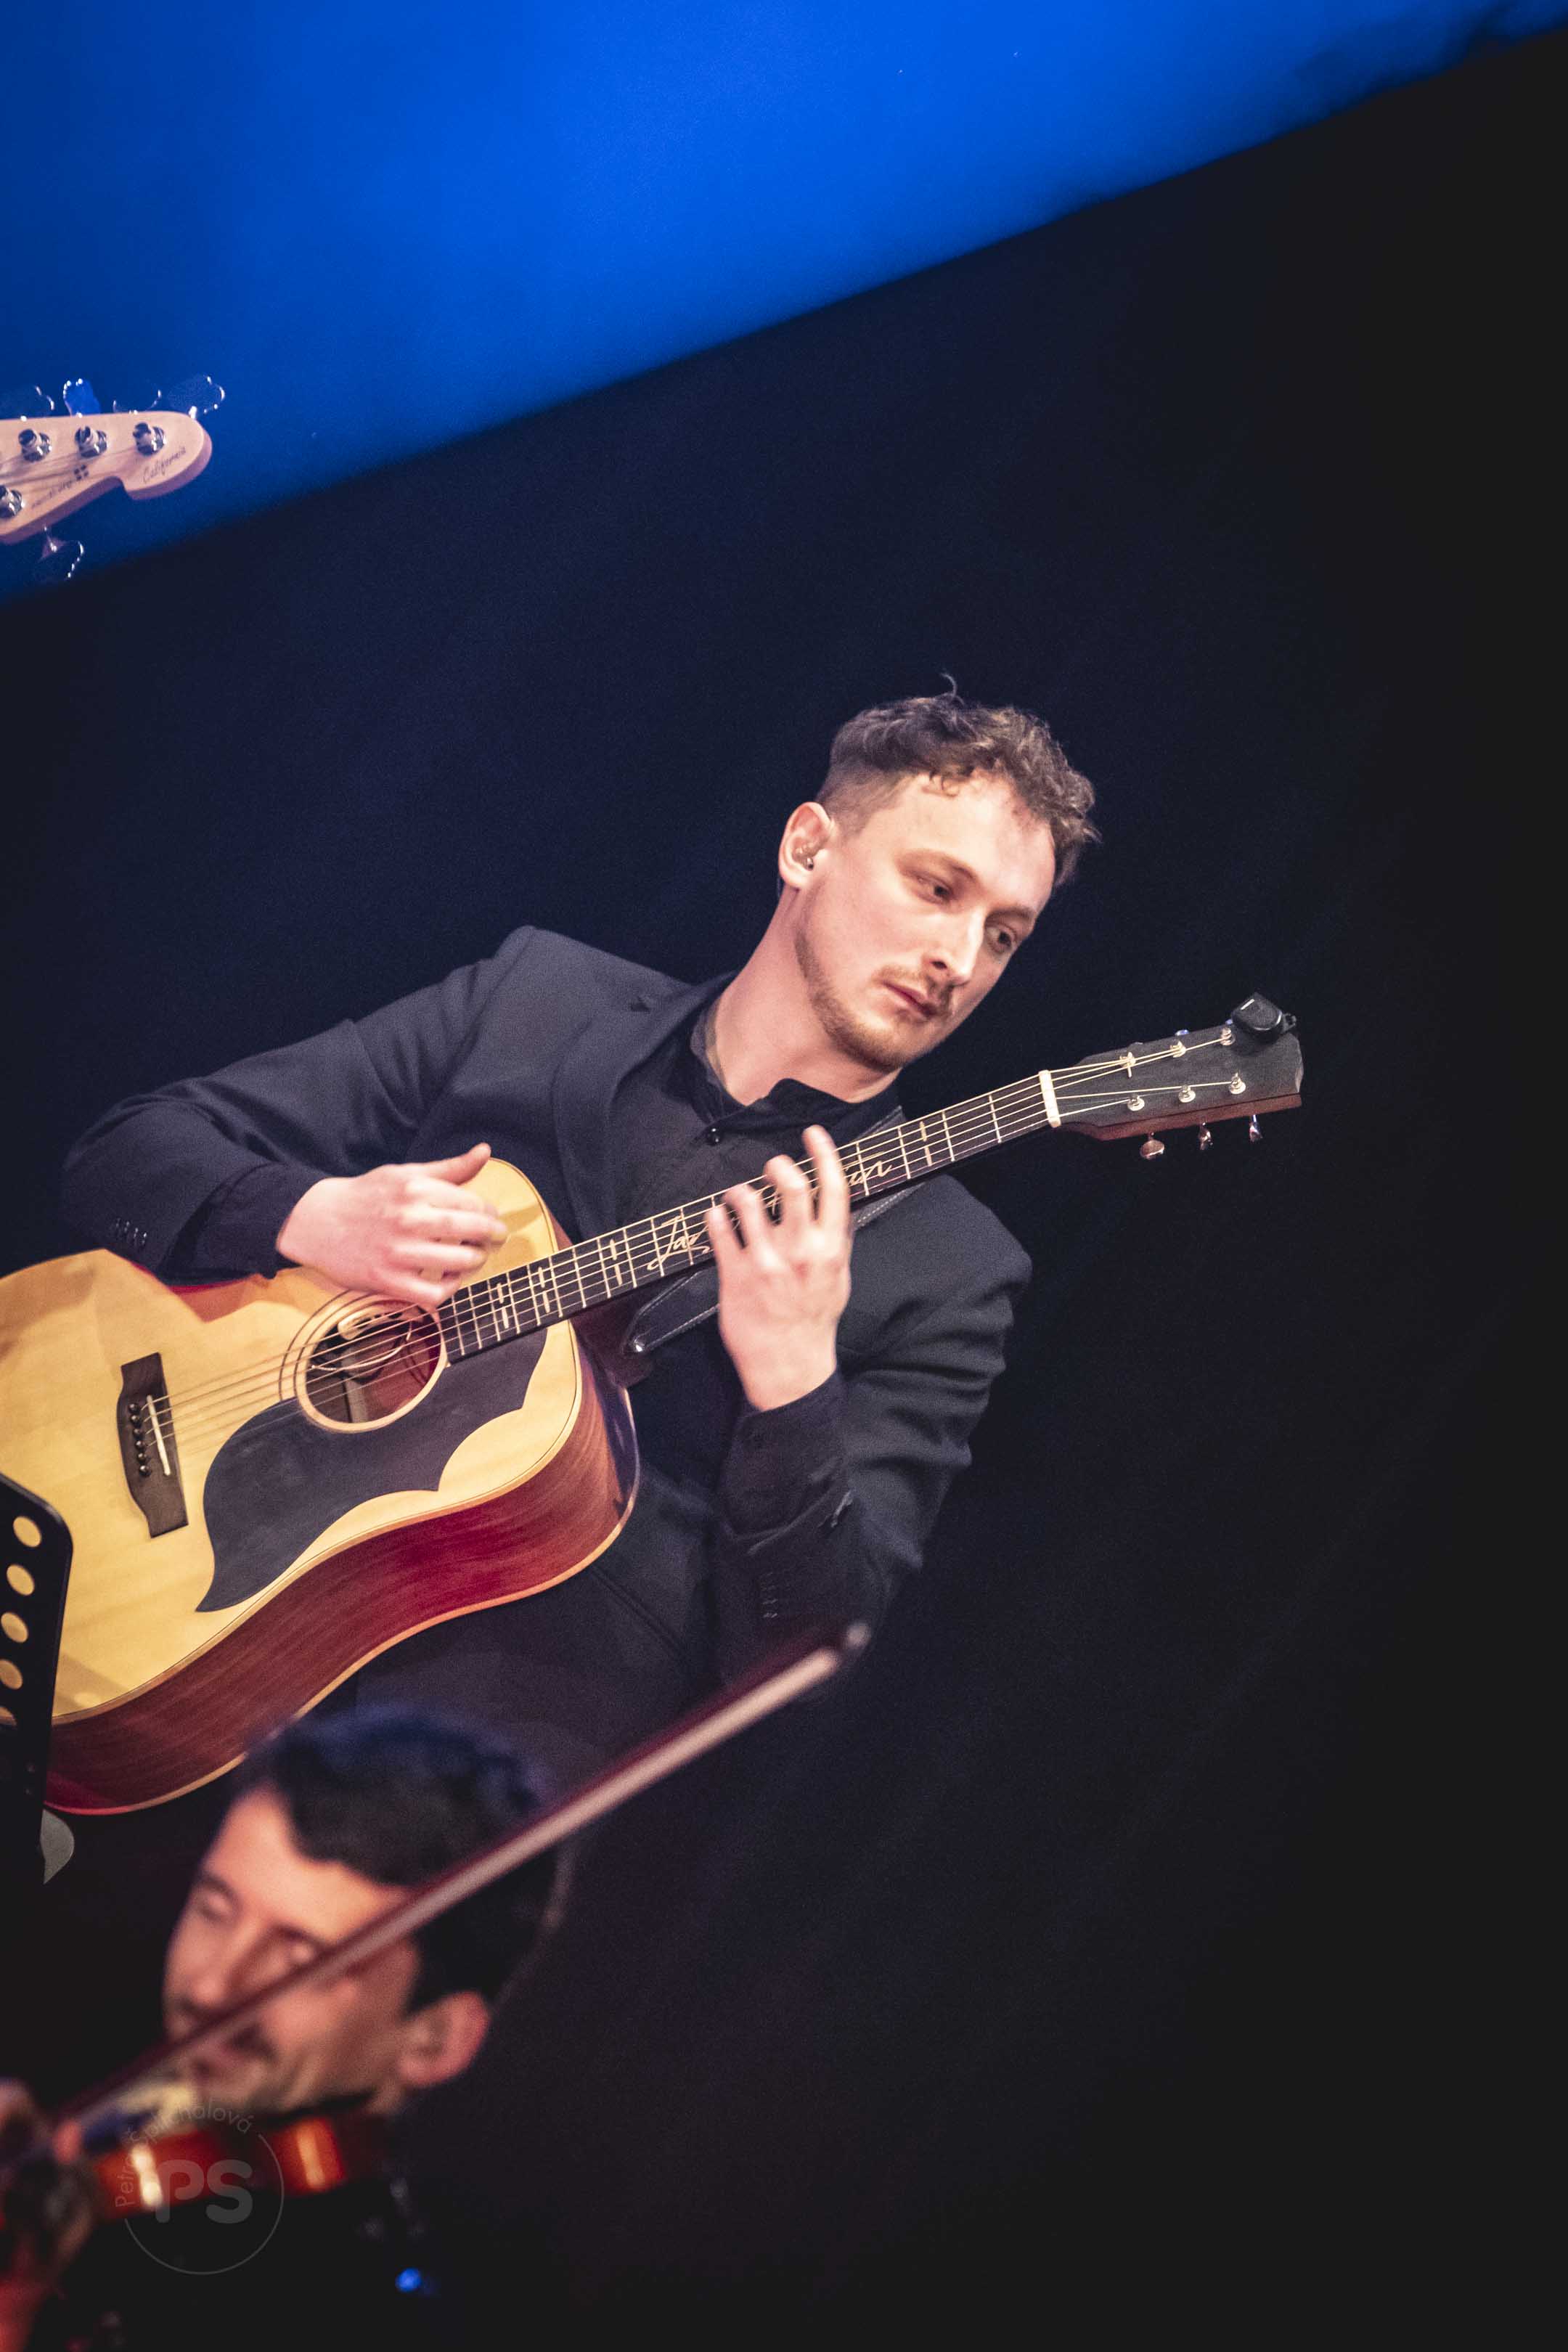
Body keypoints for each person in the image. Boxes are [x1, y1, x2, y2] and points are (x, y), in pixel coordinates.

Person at [60, 694, 1098, 1776]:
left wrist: (795, 1389)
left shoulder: (952, 1269)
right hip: (166, 1608)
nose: (959, 958)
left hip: (459, 1766)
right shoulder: (538, 1002)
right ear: (807, 848)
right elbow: (128, 1154)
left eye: (1003, 935)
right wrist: (308, 1213)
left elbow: (799, 1658)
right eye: (937, 889)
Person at [0, 1707, 565, 2348]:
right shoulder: (123, 2102)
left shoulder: (342, 2318)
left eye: (302, 1961)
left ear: (435, 2039)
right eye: (215, 1910)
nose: (214, 1986)